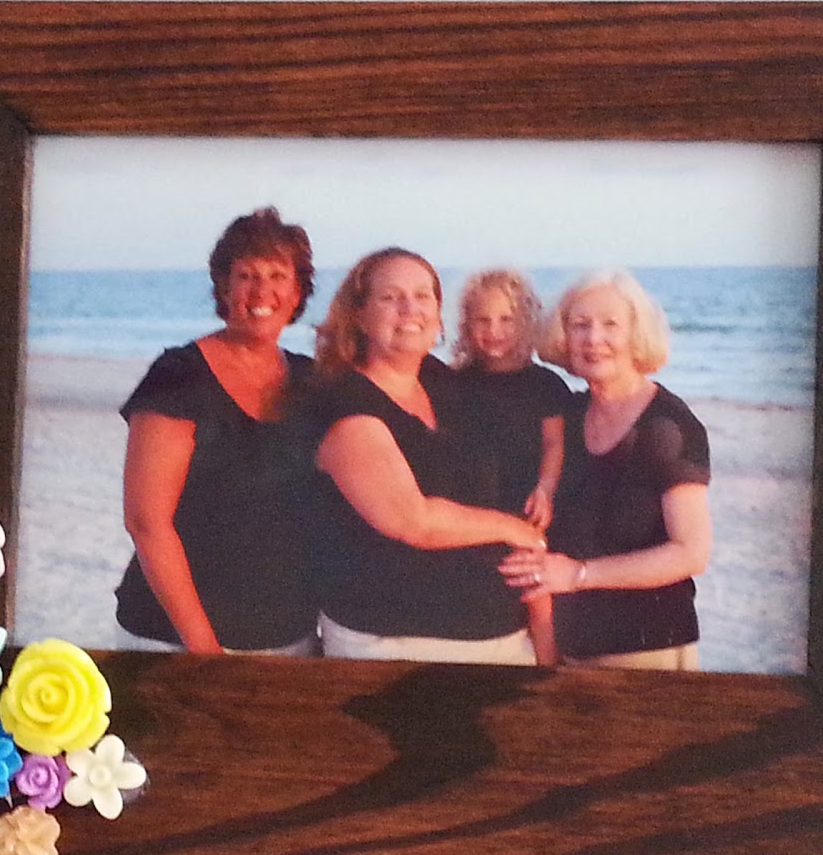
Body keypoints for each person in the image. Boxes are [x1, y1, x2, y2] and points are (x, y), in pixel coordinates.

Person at [308, 248, 545, 664]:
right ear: (359, 316)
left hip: (502, 640)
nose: (410, 309)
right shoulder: (344, 404)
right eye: (390, 297)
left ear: (438, 315)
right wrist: (513, 529)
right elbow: (411, 520)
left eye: (423, 296)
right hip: (393, 647)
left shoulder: (445, 384)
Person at [113, 207, 321, 655]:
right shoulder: (178, 375)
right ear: (225, 288)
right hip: (175, 641)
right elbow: (146, 523)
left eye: (278, 276)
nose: (261, 291)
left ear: (298, 291)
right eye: (246, 276)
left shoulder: (312, 381)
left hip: (290, 641)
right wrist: (205, 652)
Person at [500, 270, 712, 670]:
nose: (593, 338)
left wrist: (578, 575)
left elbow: (691, 553)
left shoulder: (668, 427)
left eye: (610, 324)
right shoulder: (566, 418)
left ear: (636, 334)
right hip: (569, 649)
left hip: (647, 651)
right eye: (580, 325)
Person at [450, 268, 571, 664]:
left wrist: (546, 489)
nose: (494, 330)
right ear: (467, 325)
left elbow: (554, 444)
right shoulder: (455, 383)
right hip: (476, 502)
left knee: (534, 587)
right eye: (482, 320)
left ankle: (548, 670)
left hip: (528, 501)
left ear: (526, 323)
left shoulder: (545, 385)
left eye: (506, 319)